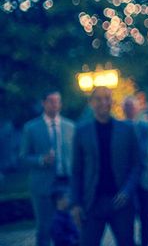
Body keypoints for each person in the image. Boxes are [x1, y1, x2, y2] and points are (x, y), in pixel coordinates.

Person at [71, 86, 141, 246]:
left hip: (120, 201)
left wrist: (127, 191)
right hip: (92, 201)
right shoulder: (82, 131)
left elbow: (136, 165)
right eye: (98, 99)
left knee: (127, 242)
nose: (104, 102)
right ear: (91, 103)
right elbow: (76, 170)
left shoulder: (128, 129)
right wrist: (75, 203)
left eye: (107, 98)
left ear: (112, 101)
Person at [20, 90, 75, 246]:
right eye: (51, 101)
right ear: (43, 103)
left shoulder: (70, 126)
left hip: (66, 183)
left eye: (57, 101)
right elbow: (23, 157)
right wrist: (41, 160)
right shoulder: (31, 128)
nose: (55, 104)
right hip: (42, 184)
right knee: (44, 227)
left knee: (67, 226)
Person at [123, 96, 148, 246]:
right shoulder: (119, 127)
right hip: (127, 179)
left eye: (132, 106)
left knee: (146, 216)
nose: (130, 109)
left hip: (144, 178)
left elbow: (143, 150)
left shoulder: (144, 127)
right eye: (127, 106)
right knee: (127, 216)